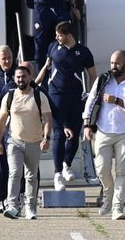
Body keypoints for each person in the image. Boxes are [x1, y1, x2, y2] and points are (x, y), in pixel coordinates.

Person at [83, 50, 125, 220]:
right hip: (103, 131)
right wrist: (87, 125)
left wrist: (117, 100)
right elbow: (90, 102)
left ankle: (118, 207)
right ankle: (108, 196)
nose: (113, 66)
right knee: (101, 170)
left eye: (117, 63)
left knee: (121, 171)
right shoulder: (103, 80)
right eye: (111, 63)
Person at [35, 21, 96, 191]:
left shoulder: (83, 52)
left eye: (59, 35)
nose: (56, 37)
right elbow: (46, 67)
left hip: (75, 96)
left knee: (74, 134)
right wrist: (35, 83)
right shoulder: (53, 47)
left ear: (68, 35)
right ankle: (58, 174)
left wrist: (90, 95)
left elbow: (93, 75)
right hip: (56, 95)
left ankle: (66, 164)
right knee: (59, 133)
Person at [0, 66, 52, 220]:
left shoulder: (39, 96)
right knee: (15, 173)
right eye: (18, 77)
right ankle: (12, 206)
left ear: (30, 77)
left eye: (24, 76)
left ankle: (30, 207)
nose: (21, 79)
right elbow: (1, 120)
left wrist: (46, 138)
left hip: (34, 142)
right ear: (15, 79)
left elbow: (48, 118)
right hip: (14, 141)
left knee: (31, 175)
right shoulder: (9, 96)